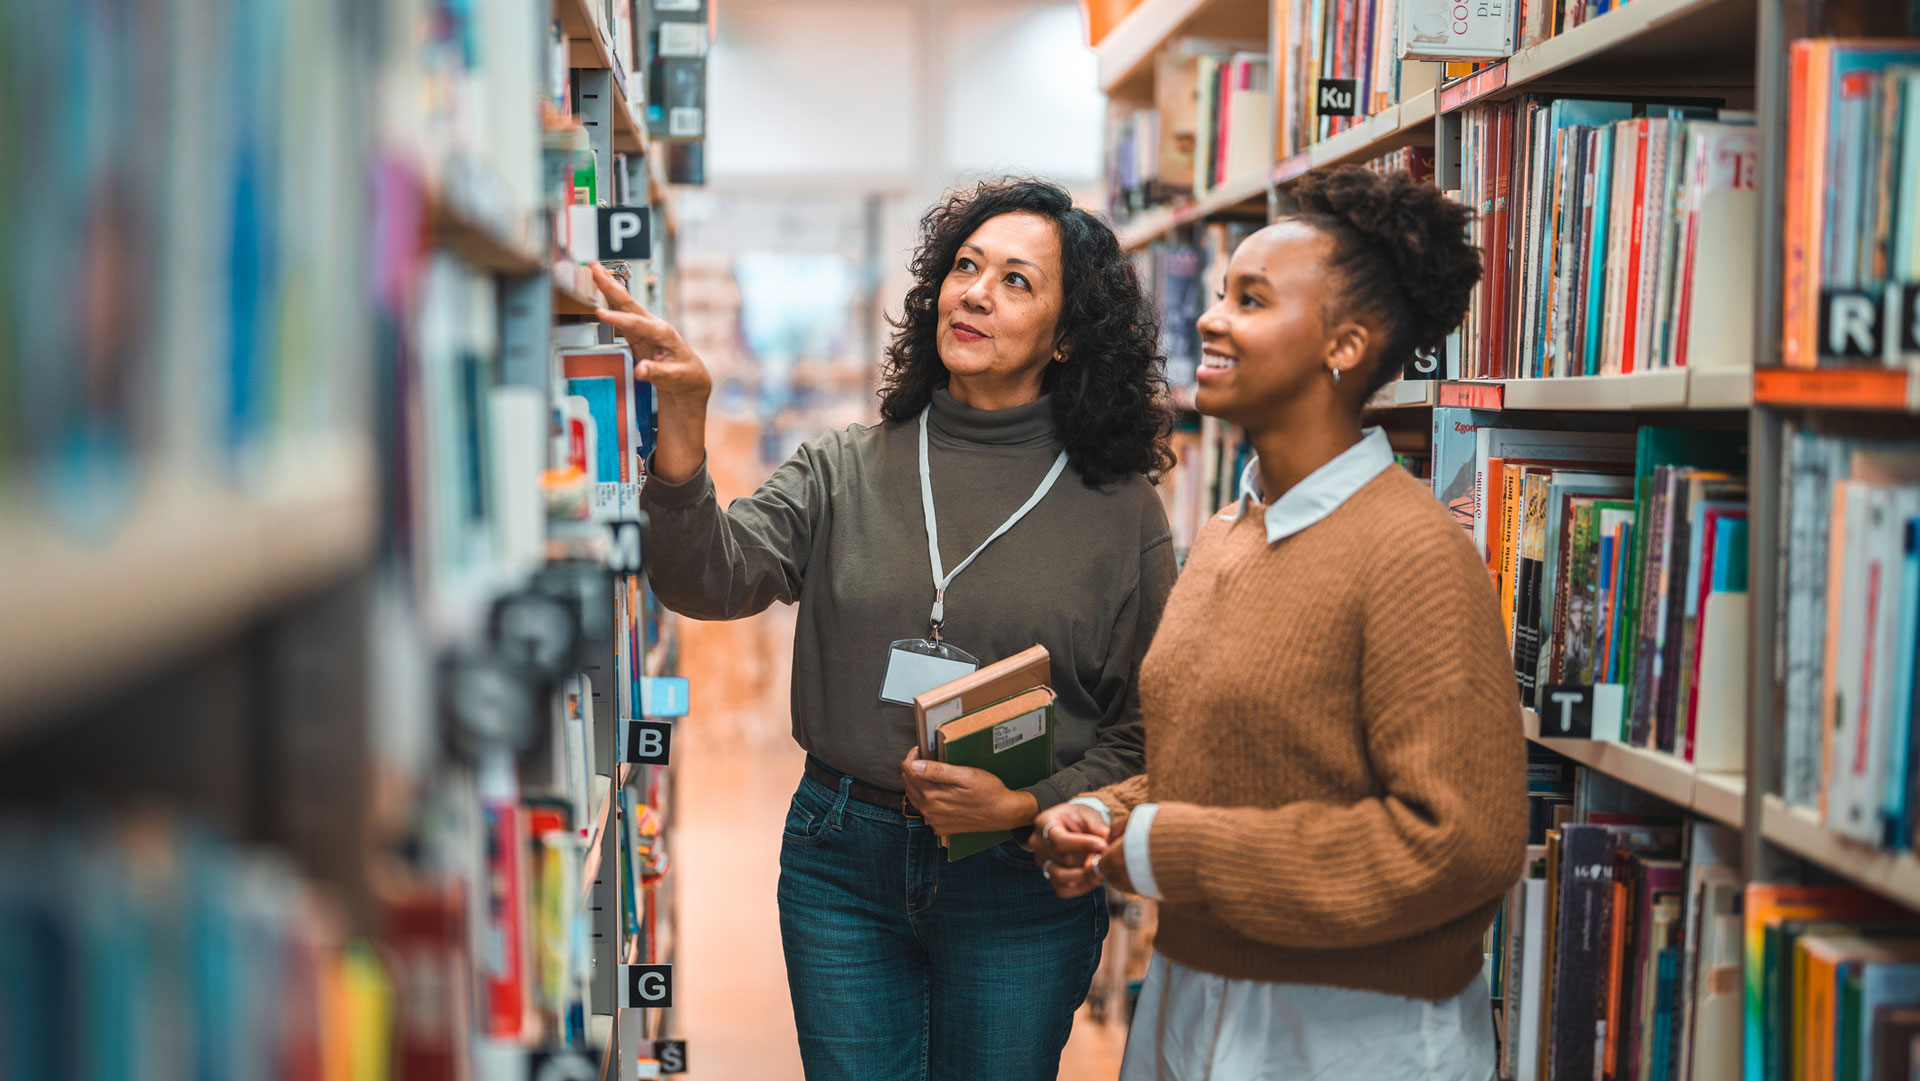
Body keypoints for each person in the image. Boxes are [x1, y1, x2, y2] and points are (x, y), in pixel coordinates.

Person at [590, 176, 1178, 1081]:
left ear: (1068, 337)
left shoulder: (1121, 512)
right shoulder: (845, 467)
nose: (975, 290)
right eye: (965, 267)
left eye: (1017, 280)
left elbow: (1150, 730)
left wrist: (1026, 804)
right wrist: (682, 436)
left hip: (1017, 875)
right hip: (841, 858)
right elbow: (706, 577)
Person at [1031, 164, 1528, 1081]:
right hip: (1196, 998)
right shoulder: (1228, 531)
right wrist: (1109, 816)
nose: (1211, 320)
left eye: (1250, 301)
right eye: (1219, 294)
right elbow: (1226, 768)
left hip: (1349, 1032)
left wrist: (1163, 846)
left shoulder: (1412, 551)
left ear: (1345, 345)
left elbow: (1461, 841)